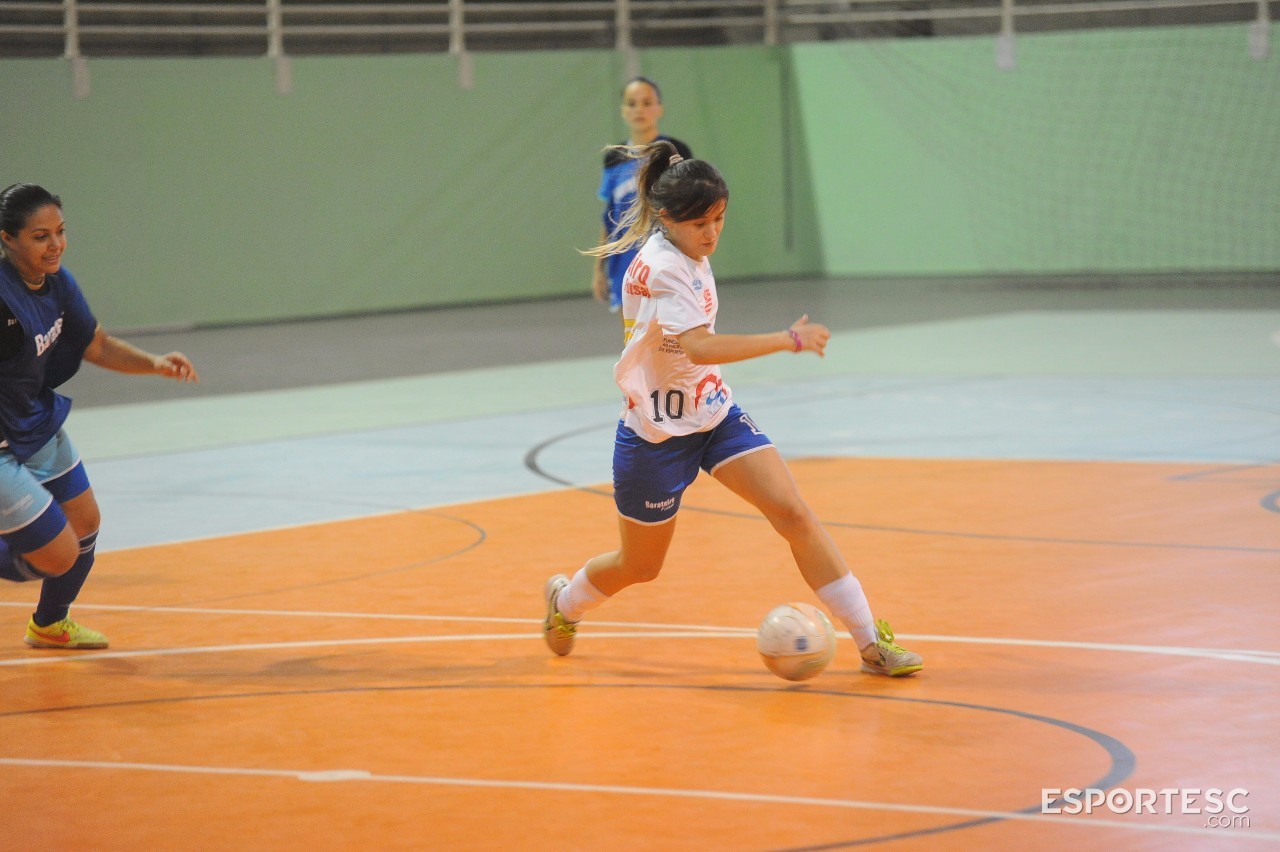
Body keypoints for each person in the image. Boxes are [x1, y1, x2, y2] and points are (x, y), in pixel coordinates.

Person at [546, 142, 923, 677]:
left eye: (719, 218)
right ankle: (565, 603)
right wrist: (787, 339)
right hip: (655, 434)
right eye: (700, 222)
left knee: (793, 513)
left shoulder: (689, 252)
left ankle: (870, 643)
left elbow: (696, 358)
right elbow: (699, 347)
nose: (712, 232)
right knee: (641, 566)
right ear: (668, 220)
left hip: (714, 414)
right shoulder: (662, 266)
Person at [0, 183, 199, 649]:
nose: (55, 246)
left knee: (85, 524)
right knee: (58, 555)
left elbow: (97, 344)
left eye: (60, 232)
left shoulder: (58, 284)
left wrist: (153, 363)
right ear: (8, 239)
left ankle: (49, 625)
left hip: (34, 420)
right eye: (40, 236)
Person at [591, 77, 694, 315]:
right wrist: (599, 269)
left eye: (647, 102)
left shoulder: (674, 151)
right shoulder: (614, 157)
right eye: (632, 103)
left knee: (671, 337)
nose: (639, 110)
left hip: (667, 260)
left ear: (660, 108)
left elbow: (690, 208)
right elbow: (609, 216)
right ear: (623, 111)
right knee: (633, 342)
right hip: (625, 261)